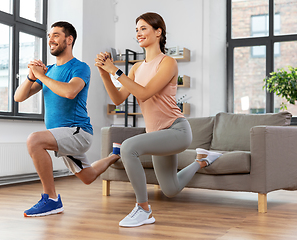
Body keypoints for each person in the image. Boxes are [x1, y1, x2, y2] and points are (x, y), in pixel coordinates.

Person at [95, 12, 221, 227]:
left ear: (158, 32)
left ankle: (143, 209)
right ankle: (203, 160)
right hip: (157, 134)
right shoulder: (136, 68)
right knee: (171, 189)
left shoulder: (168, 63)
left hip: (176, 131)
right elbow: (118, 99)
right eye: (136, 30)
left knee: (128, 148)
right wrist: (105, 74)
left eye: (143, 28)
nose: (139, 33)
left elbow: (144, 94)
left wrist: (114, 70)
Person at [14, 21, 120, 217]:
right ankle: (115, 155)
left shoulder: (80, 67)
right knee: (88, 177)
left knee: (34, 140)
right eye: (49, 36)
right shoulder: (50, 72)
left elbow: (70, 92)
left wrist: (41, 76)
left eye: (56, 35)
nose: (50, 40)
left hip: (78, 132)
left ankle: (51, 199)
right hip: (61, 135)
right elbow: (19, 97)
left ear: (69, 39)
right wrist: (31, 77)